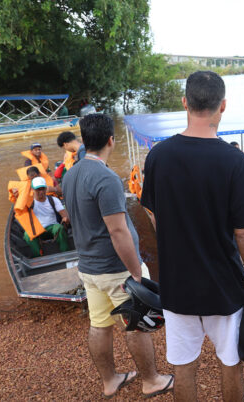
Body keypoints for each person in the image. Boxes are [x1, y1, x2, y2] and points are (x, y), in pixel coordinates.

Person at [140, 71, 244, 401]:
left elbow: (153, 213)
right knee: (231, 363)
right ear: (222, 106)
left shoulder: (158, 156)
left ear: (185, 102)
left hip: (177, 284)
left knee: (184, 366)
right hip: (224, 286)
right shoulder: (235, 162)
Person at [62, 114, 174, 399]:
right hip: (115, 269)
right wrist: (135, 272)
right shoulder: (106, 178)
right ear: (111, 140)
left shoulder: (71, 174)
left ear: (84, 141)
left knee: (99, 325)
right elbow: (118, 230)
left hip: (89, 267)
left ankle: (110, 381)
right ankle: (151, 380)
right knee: (136, 326)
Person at [22, 177, 69, 257]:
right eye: (38, 190)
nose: (41, 192)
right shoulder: (29, 203)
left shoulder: (53, 200)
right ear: (33, 190)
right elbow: (19, 208)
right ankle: (38, 257)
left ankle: (66, 254)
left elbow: (63, 214)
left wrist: (65, 218)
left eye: (43, 189)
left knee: (60, 228)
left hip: (52, 227)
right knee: (27, 235)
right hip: (37, 230)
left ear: (46, 188)